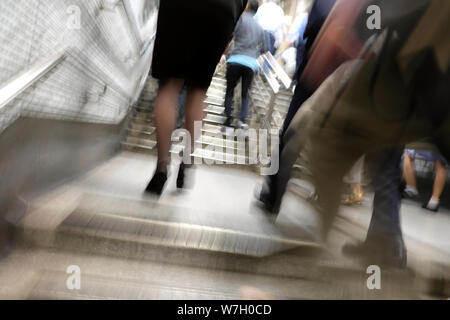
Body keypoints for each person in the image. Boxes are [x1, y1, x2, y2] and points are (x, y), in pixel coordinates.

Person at [146, 0, 248, 195]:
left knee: (169, 86)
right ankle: (186, 161)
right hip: (223, 9)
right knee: (198, 91)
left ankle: (160, 170)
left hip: (179, 8)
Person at [222, 0, 268, 130]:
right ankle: (242, 121)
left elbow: (230, 35)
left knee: (229, 91)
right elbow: (265, 48)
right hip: (250, 64)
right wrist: (254, 52)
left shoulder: (240, 21)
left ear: (247, 7)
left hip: (235, 59)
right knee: (245, 93)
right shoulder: (260, 28)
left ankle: (228, 119)